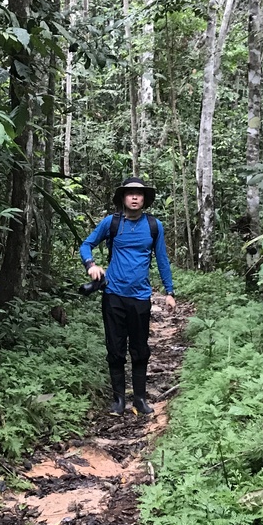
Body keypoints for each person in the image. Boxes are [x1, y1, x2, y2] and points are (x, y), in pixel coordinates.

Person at [79, 177, 176, 416]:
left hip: (140, 297)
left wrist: (170, 291)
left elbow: (162, 259)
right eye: (130, 193)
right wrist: (91, 265)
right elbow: (85, 245)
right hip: (113, 295)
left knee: (140, 349)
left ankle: (140, 399)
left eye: (139, 194)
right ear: (123, 197)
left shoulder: (154, 226)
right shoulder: (111, 223)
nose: (134, 197)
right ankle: (119, 400)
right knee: (115, 348)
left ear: (144, 199)